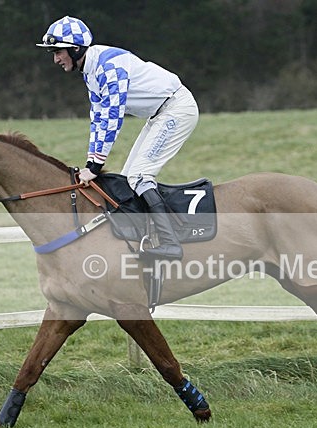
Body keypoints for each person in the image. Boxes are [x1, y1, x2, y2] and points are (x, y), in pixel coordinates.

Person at [37, 15, 199, 260]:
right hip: (160, 113)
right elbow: (98, 120)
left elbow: (113, 117)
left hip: (176, 109)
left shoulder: (108, 66)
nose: (55, 59)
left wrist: (95, 166)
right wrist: (90, 161)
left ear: (75, 48)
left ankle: (171, 242)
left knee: (139, 176)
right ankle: (148, 235)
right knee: (128, 177)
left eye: (58, 51)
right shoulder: (90, 72)